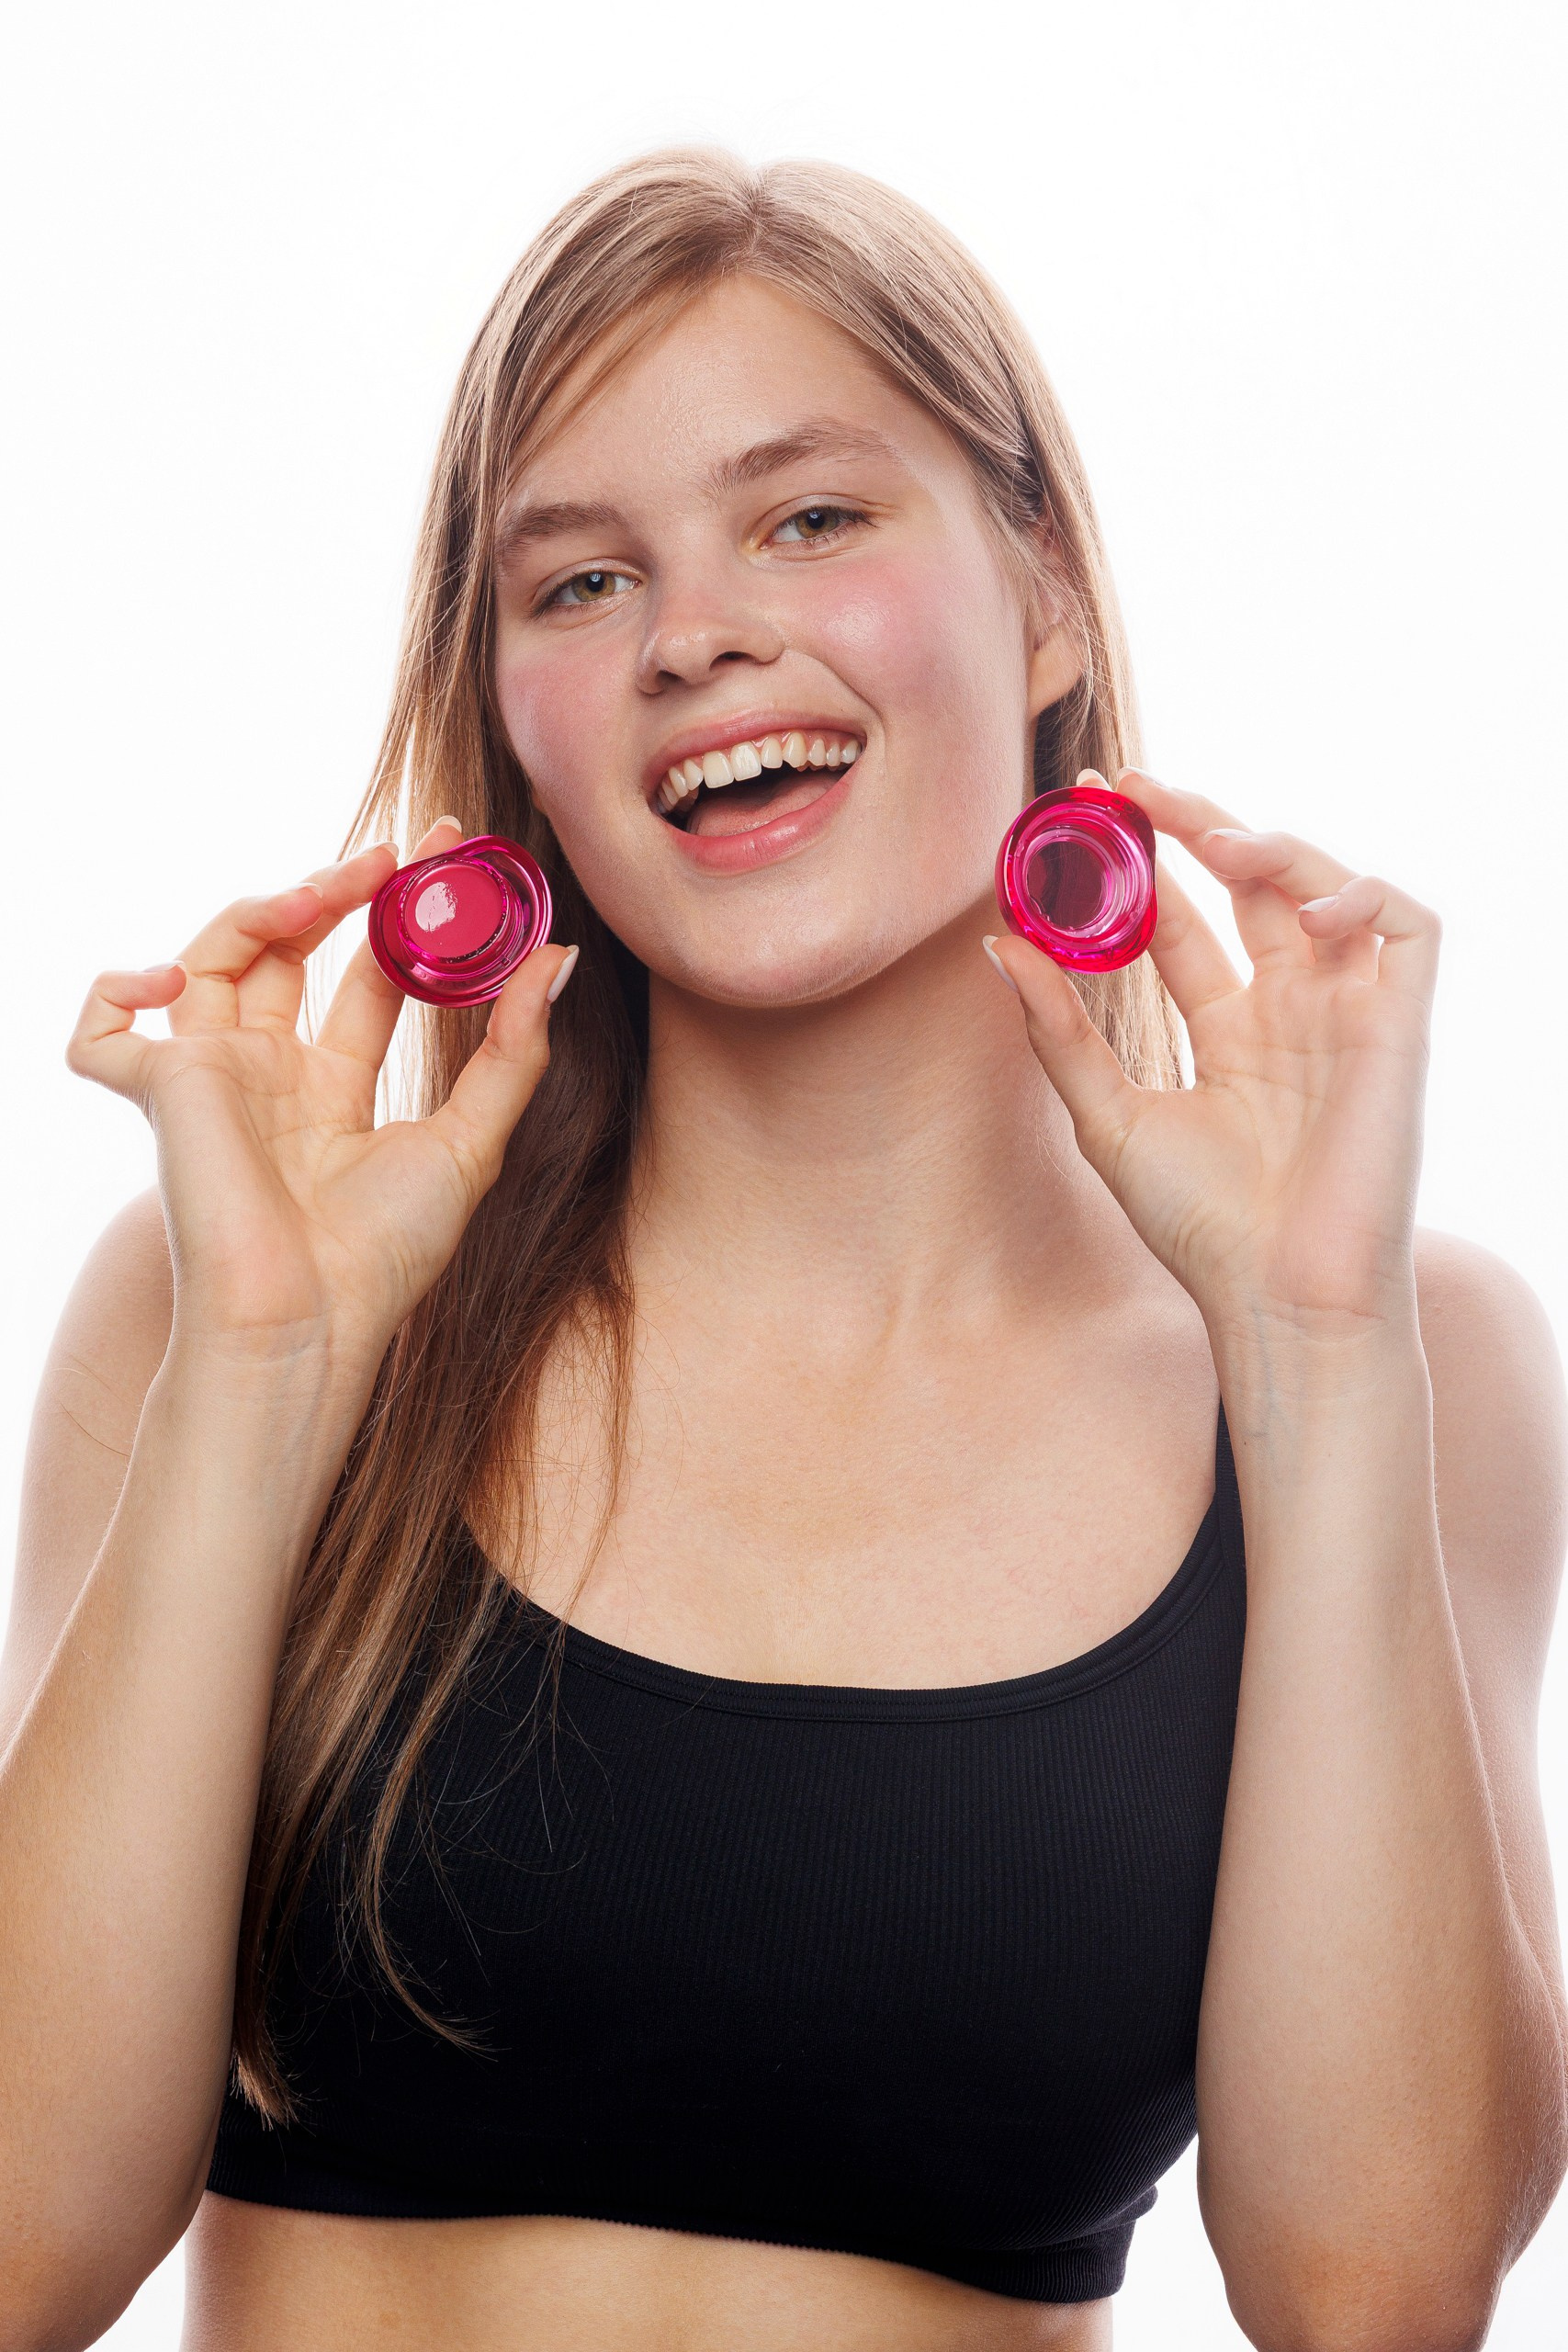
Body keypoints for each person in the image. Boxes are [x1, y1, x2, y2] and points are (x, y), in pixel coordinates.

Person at [3, 147, 1565, 2352]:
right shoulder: (222, 1303)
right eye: (578, 580)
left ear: (1041, 597)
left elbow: (1371, 2290)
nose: (693, 633)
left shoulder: (1411, 1350)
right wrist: (260, 1376)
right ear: (513, 720)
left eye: (810, 516)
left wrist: (1314, 1352)